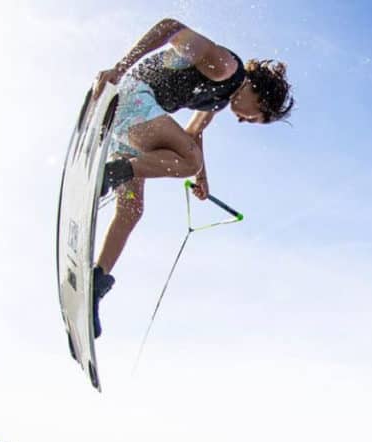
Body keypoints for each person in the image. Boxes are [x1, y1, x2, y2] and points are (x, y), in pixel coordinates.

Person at [88, 18, 293, 337]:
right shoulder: (224, 66)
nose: (245, 121)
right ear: (259, 95)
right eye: (255, 118)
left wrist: (203, 178)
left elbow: (194, 132)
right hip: (131, 100)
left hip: (130, 129)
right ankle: (114, 172)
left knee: (131, 210)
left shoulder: (220, 98)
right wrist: (119, 67)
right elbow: (171, 27)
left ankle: (95, 284)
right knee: (188, 162)